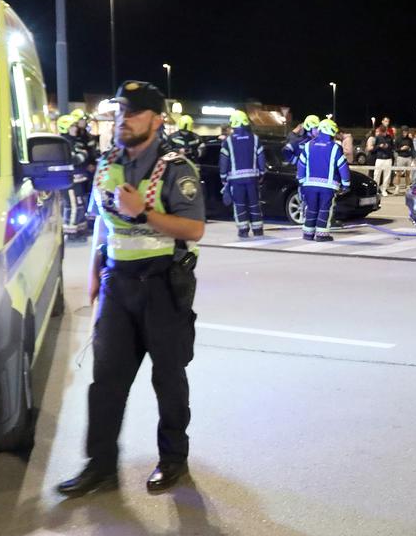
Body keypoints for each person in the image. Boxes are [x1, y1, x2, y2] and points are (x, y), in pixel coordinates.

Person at [58, 80, 206, 498]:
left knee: (168, 377)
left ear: (157, 121)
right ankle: (100, 466)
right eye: (121, 112)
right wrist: (93, 276)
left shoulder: (178, 168)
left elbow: (194, 229)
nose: (125, 120)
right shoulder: (107, 164)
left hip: (162, 284)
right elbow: (101, 225)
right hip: (116, 284)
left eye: (134, 112)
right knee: (106, 381)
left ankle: (173, 459)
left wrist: (144, 212)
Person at [297, 118, 351, 241]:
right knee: (324, 209)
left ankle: (308, 234)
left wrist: (301, 180)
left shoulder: (308, 145)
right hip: (327, 186)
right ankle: (322, 235)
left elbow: (301, 164)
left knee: (311, 208)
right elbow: (343, 167)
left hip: (309, 185)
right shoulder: (335, 148)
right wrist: (346, 184)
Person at [219, 109, 267, 238]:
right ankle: (257, 230)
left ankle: (243, 230)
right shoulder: (255, 139)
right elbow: (261, 159)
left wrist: (223, 178)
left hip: (236, 181)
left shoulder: (228, 141)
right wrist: (262, 173)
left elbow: (223, 162)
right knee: (254, 203)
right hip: (252, 179)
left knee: (239, 205)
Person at [366, 125, 395, 194]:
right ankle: (375, 189)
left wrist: (388, 146)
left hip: (388, 158)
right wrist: (379, 146)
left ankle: (384, 189)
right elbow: (373, 148)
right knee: (376, 175)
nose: (382, 133)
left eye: (384, 132)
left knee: (387, 175)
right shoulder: (377, 137)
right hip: (379, 158)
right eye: (381, 132)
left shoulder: (389, 137)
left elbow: (393, 147)